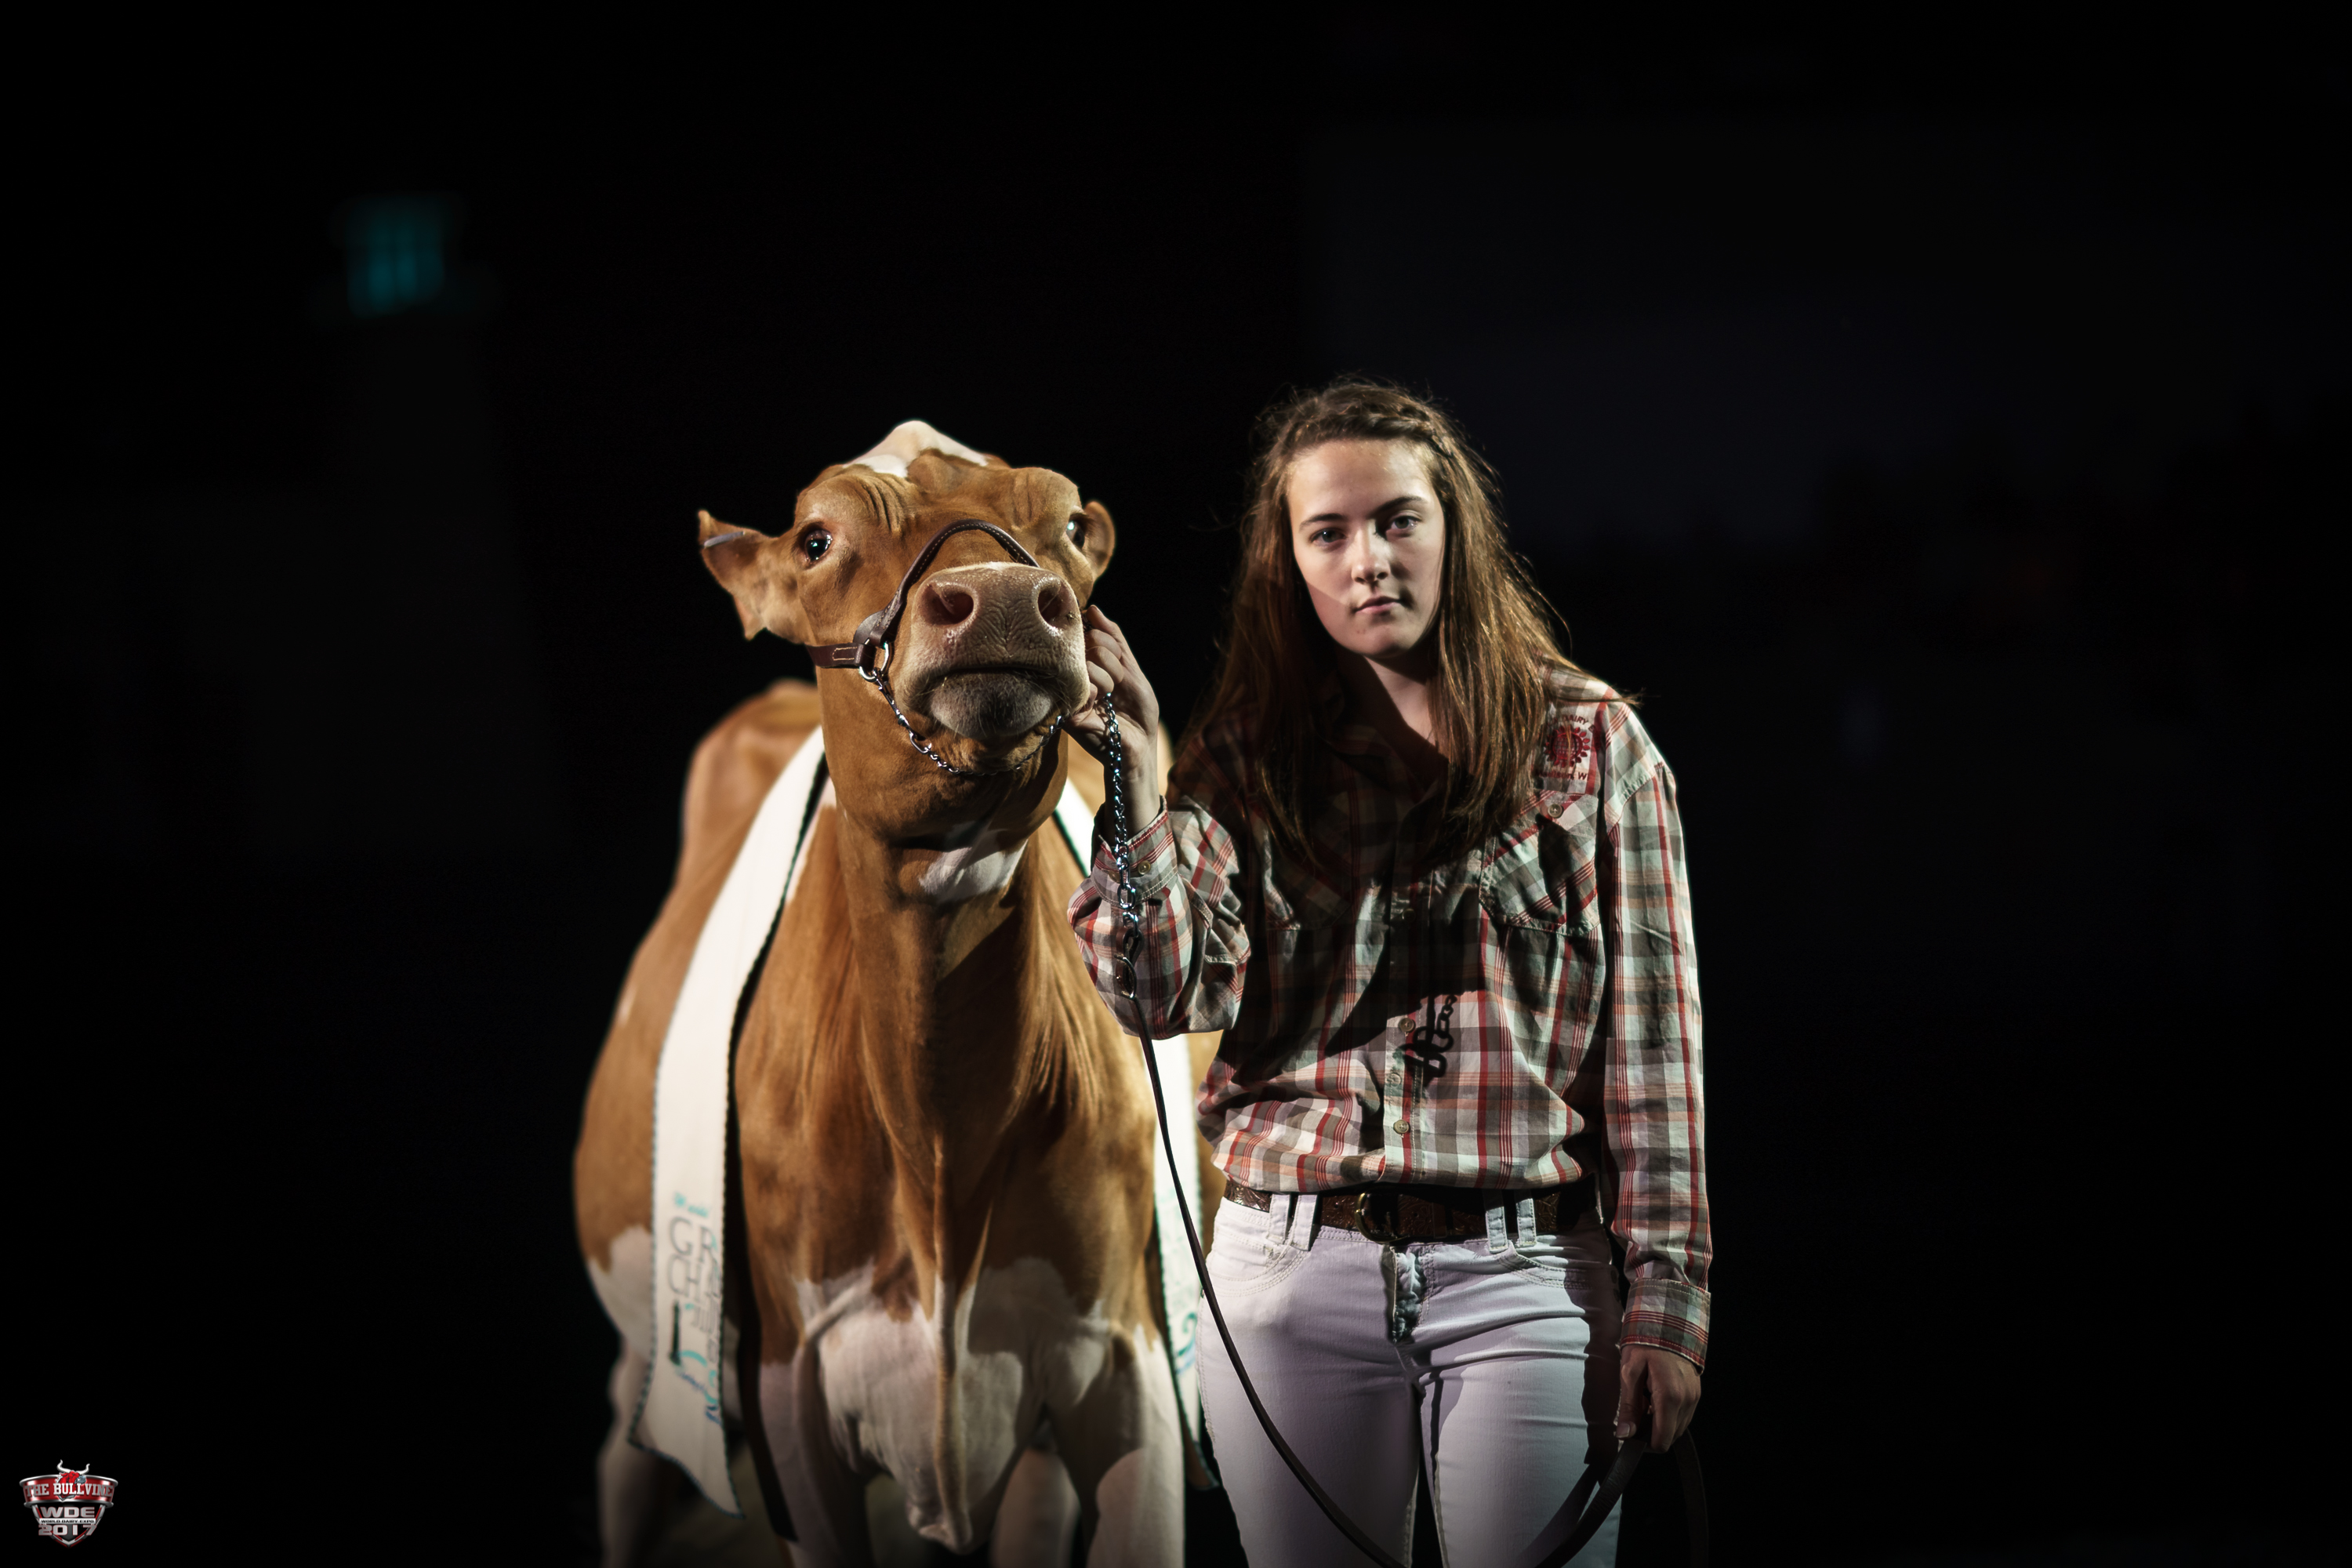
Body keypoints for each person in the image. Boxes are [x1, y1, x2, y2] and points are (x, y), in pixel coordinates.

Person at [1063, 380, 1709, 1566]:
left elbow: (1654, 1058)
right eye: (1329, 533)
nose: (1367, 559)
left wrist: (1669, 1301)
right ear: (1290, 564)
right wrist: (1143, 781)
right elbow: (1165, 999)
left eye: (1398, 519)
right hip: (1291, 1273)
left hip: (1526, 1276)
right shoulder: (1245, 760)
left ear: (1454, 527)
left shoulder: (1594, 745)